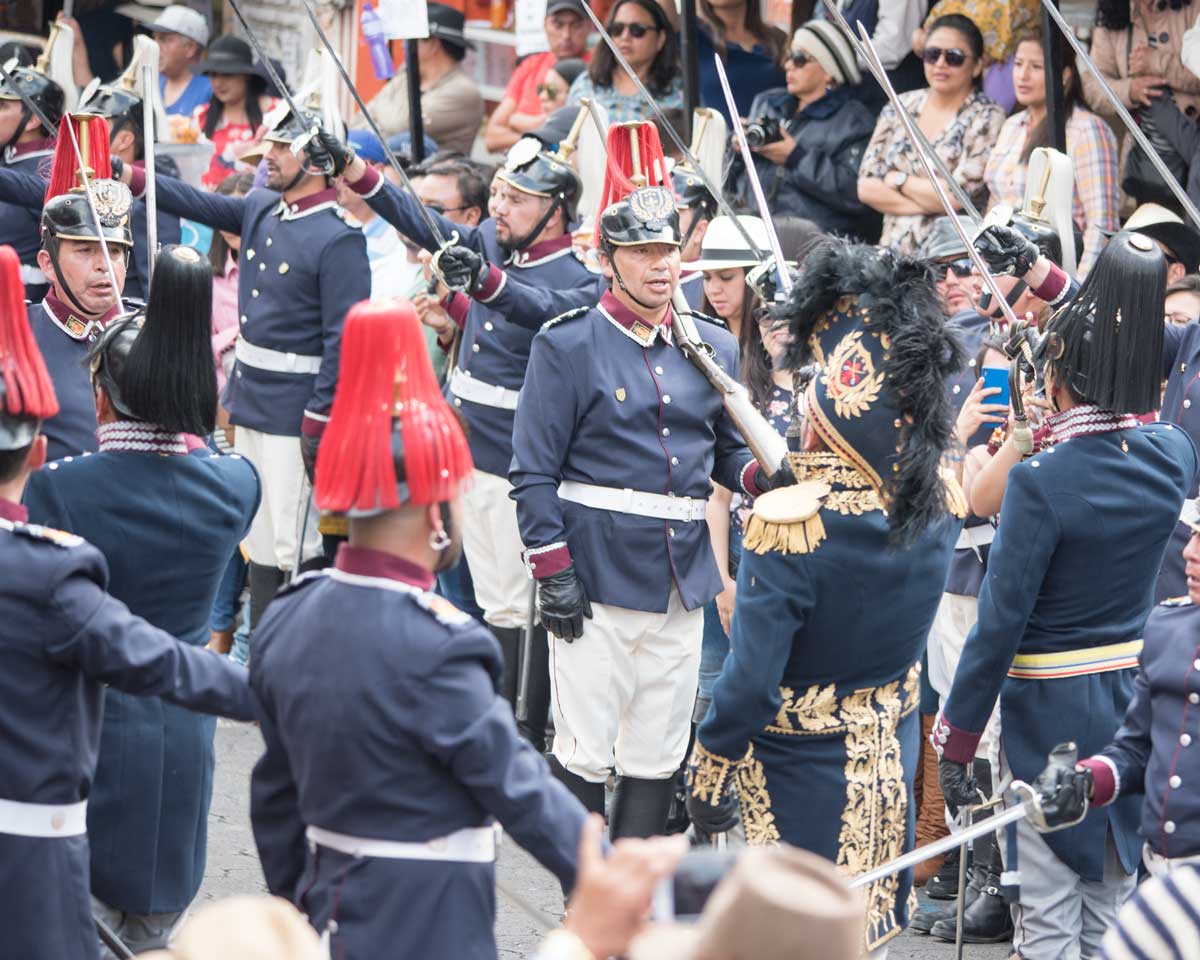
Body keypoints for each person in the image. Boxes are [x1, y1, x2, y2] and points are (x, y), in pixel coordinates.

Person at [249, 299, 587, 959]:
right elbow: (519, 790)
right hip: (427, 928)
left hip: (326, 917)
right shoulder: (441, 644)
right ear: (435, 513)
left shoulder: (286, 616)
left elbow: (274, 804)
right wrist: (606, 872)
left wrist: (297, 912)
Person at [685, 237, 965, 955]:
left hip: (800, 769)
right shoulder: (938, 504)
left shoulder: (794, 526)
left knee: (794, 938)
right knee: (859, 937)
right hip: (885, 758)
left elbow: (749, 683)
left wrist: (711, 760)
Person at [934, 230, 1198, 960]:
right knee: (1113, 909)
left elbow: (999, 621)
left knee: (1048, 918)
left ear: (1061, 379)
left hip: (1046, 713)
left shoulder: (1040, 482)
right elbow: (1133, 374)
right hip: (1127, 703)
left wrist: (956, 737)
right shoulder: (1170, 456)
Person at [0, 242, 256, 960]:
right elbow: (200, 452)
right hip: (186, 735)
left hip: (92, 733)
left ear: (102, 398)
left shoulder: (61, 489)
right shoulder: (236, 484)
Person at [508, 168, 771, 838]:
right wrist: (552, 570)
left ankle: (632, 896)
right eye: (642, 253)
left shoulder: (707, 344)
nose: (661, 266)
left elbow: (719, 452)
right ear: (607, 260)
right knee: (585, 750)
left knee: (657, 751)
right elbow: (533, 470)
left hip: (681, 576)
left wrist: (755, 480)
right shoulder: (567, 343)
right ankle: (584, 892)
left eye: (668, 251)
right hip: (595, 571)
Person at [339, 129, 593, 753]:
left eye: (516, 198)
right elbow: (419, 219)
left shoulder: (580, 275)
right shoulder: (489, 241)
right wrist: (353, 170)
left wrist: (483, 284)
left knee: (510, 603)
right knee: (479, 591)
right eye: (499, 194)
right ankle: (479, 712)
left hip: (513, 458)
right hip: (463, 443)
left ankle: (510, 730)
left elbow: (538, 307)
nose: (500, 207)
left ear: (554, 208)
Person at [116, 92, 370, 652]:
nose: (267, 155)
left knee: (293, 542)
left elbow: (343, 341)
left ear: (318, 159)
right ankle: (264, 660)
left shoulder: (339, 237)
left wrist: (318, 417)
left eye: (282, 145)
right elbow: (194, 200)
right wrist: (125, 172)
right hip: (251, 399)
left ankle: (293, 660)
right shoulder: (261, 210)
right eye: (269, 144)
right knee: (256, 535)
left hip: (295, 409)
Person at [29, 118, 136, 462]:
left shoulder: (148, 329)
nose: (104, 263)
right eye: (85, 250)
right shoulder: (19, 335)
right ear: (48, 263)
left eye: (114, 251)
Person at [858, 13, 1006, 254]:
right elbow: (865, 187)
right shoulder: (900, 106)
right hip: (891, 257)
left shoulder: (988, 116)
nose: (940, 64)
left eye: (954, 57)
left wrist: (898, 180)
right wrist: (932, 203)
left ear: (978, 65)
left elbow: (957, 198)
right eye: (932, 54)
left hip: (953, 265)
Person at [983, 29, 1119, 275]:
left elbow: (1102, 223)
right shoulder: (1012, 124)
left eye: (1035, 66)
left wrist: (1075, 290)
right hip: (1001, 271)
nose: (1022, 75)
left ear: (1064, 75)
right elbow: (996, 201)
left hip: (1054, 272)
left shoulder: (1086, 129)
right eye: (1019, 64)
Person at [730, 20, 881, 241]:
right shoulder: (767, 102)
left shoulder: (854, 122)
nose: (788, 65)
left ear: (829, 72)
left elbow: (855, 194)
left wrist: (796, 157)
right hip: (752, 233)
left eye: (800, 59)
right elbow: (729, 176)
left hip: (814, 246)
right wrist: (735, 149)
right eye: (789, 55)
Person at [73, 38, 184, 301]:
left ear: (124, 139)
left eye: (98, 126)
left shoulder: (150, 196)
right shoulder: (92, 178)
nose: (85, 134)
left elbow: (157, 285)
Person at [1082, 0, 1200, 200]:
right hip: (1146, 160)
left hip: (1193, 142)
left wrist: (1157, 62)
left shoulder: (1193, 7)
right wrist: (1130, 90)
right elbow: (1092, 86)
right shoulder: (1113, 15)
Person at [350, 3, 484, 157]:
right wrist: (382, 132)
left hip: (434, 177)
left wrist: (378, 125)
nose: (402, 46)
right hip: (393, 170)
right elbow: (359, 119)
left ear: (433, 44)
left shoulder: (464, 92)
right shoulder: (407, 74)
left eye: (410, 40)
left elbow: (402, 126)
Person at [0, 29, 67, 300]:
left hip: (24, 308)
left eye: (3, 106)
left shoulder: (48, 170)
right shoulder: (8, 157)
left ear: (32, 120)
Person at [484, 0, 592, 152]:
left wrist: (522, 123)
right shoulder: (530, 65)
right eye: (558, 24)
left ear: (589, 26)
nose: (566, 35)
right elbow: (492, 138)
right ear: (545, 24)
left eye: (575, 25)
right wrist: (541, 134)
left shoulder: (596, 70)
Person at [566, 0, 684, 123]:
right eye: (617, 29)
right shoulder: (584, 86)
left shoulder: (679, 93)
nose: (625, 36)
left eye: (637, 30)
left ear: (660, 38)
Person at [187, 35, 274, 190]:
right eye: (213, 75)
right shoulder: (200, 116)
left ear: (246, 75)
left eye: (227, 74)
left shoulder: (275, 114)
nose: (218, 83)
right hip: (205, 207)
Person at [695, 0, 787, 123]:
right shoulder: (695, 35)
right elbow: (665, 14)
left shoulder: (777, 39)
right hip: (719, 140)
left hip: (776, 138)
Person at [149, 5, 212, 117]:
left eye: (164, 39)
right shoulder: (149, 83)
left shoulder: (209, 91)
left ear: (190, 48)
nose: (155, 46)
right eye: (155, 38)